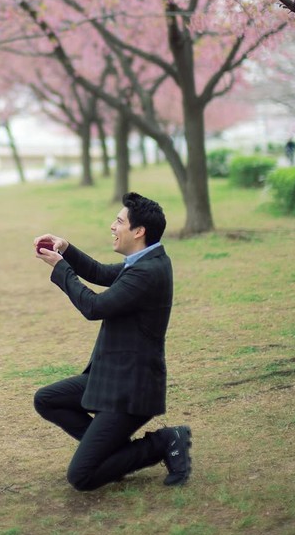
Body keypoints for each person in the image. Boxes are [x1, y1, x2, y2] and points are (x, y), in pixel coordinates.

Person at [32, 192, 191, 492]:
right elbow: (101, 273)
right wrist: (66, 250)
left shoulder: (148, 272)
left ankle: (163, 442)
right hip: (111, 378)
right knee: (47, 399)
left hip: (130, 389)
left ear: (139, 231)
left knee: (82, 476)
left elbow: (94, 307)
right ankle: (114, 456)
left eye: (119, 221)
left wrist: (60, 269)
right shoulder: (146, 260)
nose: (112, 226)